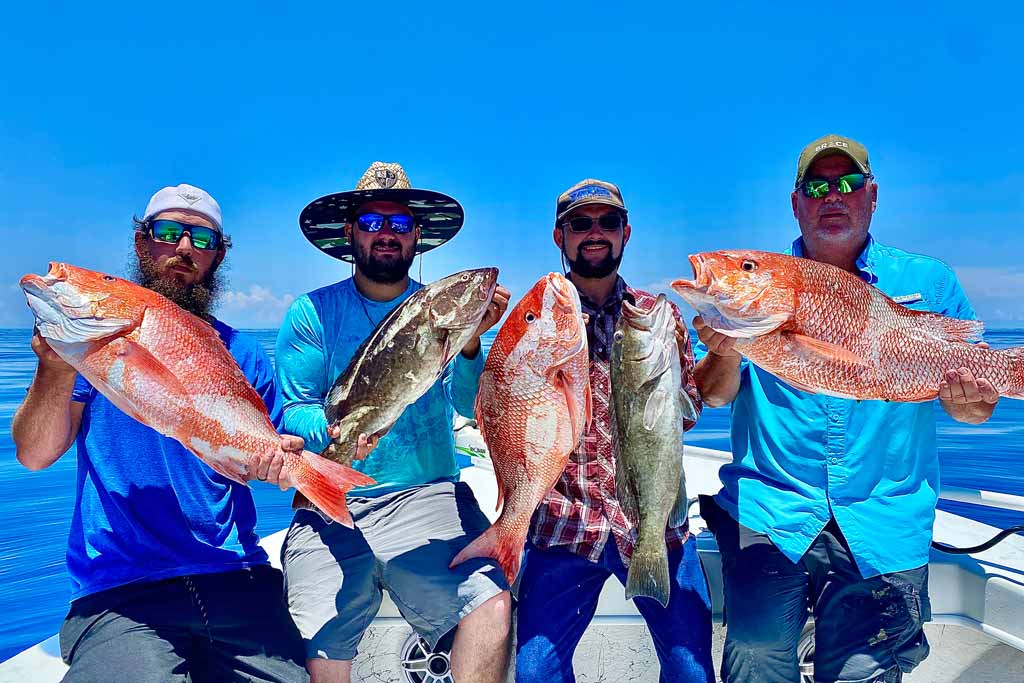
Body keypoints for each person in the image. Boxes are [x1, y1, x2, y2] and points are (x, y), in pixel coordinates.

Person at [694, 134, 1000, 683]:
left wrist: (973, 400)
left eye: (847, 183)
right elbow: (712, 395)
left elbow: (975, 412)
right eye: (816, 186)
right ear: (796, 203)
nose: (832, 196)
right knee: (757, 649)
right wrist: (725, 348)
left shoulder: (928, 282)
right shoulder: (753, 303)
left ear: (872, 195)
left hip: (883, 514)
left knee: (864, 673)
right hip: (770, 508)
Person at [12, 183, 310, 682]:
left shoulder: (245, 354)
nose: (184, 248)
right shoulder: (86, 350)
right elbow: (35, 454)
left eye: (202, 239)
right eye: (168, 232)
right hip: (122, 591)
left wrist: (283, 464)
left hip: (235, 577)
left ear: (218, 256)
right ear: (141, 242)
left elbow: (265, 459)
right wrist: (55, 365)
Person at [277, 161, 513, 683]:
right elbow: (294, 411)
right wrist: (336, 435)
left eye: (400, 224)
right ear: (350, 233)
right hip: (332, 502)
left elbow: (469, 406)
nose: (387, 234)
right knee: (322, 640)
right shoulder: (311, 313)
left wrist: (470, 340)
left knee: (492, 606)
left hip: (427, 496)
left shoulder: (441, 318)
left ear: (417, 237)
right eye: (373, 222)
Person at [515, 179, 715, 682]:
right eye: (580, 224)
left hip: (654, 524)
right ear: (559, 237)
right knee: (536, 673)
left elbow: (687, 410)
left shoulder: (658, 314)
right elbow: (503, 400)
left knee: (691, 670)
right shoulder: (538, 318)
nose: (594, 233)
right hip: (562, 523)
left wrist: (723, 348)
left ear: (626, 233)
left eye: (607, 222)